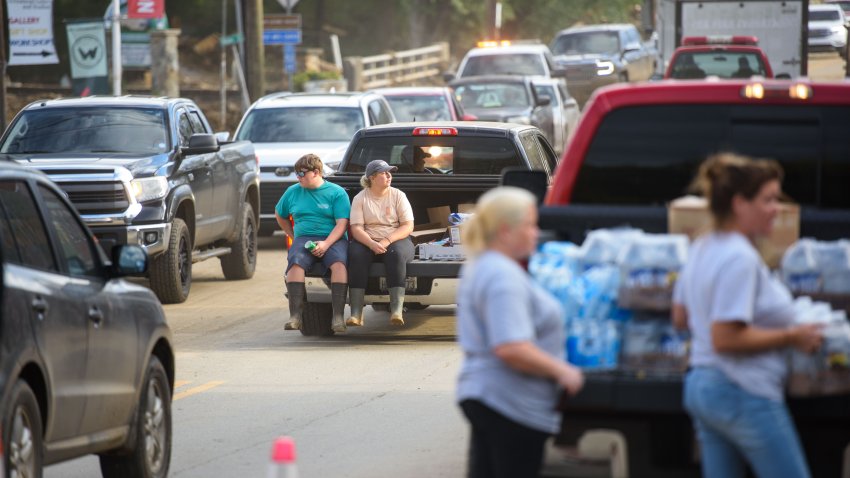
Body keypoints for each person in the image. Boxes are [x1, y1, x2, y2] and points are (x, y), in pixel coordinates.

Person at [672, 153, 823, 478]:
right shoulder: (740, 258)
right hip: (741, 389)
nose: (776, 209)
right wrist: (793, 337)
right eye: (768, 200)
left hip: (703, 385)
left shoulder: (702, 246)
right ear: (740, 203)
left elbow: (680, 317)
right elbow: (725, 338)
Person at [455, 187, 585, 478]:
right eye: (529, 225)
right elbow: (510, 346)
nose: (536, 233)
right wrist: (562, 371)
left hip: (489, 395)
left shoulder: (482, 266)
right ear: (505, 230)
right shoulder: (502, 276)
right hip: (511, 403)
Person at [275, 153, 351, 333]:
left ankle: (338, 317)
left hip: (332, 238)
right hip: (304, 238)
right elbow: (280, 214)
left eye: (302, 173)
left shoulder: (336, 193)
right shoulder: (293, 191)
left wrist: (325, 244)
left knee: (339, 265)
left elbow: (342, 224)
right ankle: (295, 316)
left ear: (316, 172)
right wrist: (292, 235)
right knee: (295, 263)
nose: (298, 177)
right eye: (297, 174)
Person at [346, 159, 415, 326]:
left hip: (395, 238)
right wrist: (371, 243)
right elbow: (356, 228)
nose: (389, 175)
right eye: (384, 173)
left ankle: (397, 310)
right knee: (355, 254)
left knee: (396, 254)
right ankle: (356, 313)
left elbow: (408, 226)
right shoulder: (360, 198)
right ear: (372, 177)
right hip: (367, 238)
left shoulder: (398, 195)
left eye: (389, 172)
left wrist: (386, 241)